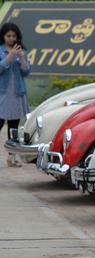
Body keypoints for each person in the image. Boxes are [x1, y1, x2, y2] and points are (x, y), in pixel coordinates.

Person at [0, 22, 30, 167]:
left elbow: (26, 72)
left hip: (17, 93)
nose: (11, 38)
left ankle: (11, 158)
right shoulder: (0, 50)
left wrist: (22, 58)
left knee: (14, 127)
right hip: (2, 93)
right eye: (8, 36)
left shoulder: (22, 51)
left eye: (14, 36)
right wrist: (10, 57)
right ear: (3, 36)